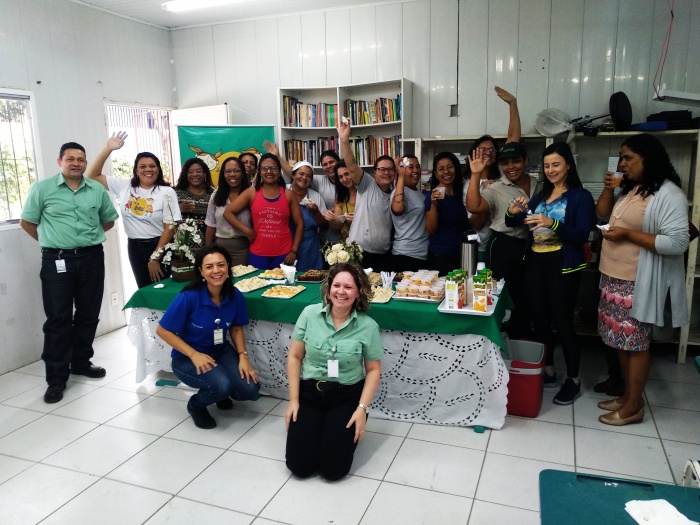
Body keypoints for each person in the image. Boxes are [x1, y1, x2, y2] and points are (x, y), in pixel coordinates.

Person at [596, 134, 688, 426]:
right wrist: (610, 192)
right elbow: (605, 214)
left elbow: (678, 242)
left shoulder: (668, 194)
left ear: (648, 159)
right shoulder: (634, 189)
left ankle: (633, 407)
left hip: (637, 281)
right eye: (621, 157)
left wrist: (627, 234)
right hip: (614, 277)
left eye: (628, 158)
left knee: (634, 343)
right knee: (621, 342)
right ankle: (627, 396)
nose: (622, 164)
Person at [20, 142, 119, 403]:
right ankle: (56, 379)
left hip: (91, 258)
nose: (76, 163)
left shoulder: (96, 189)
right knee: (58, 319)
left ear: (86, 163)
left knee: (88, 314)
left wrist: (86, 239)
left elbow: (108, 220)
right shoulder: (42, 189)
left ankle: (81, 362)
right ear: (60, 162)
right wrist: (52, 242)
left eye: (81, 159)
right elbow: (27, 222)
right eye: (70, 159)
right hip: (56, 260)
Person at [505, 142, 595, 404]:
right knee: (540, 319)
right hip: (536, 262)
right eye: (546, 166)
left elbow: (581, 235)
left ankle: (573, 379)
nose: (551, 170)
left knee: (562, 321)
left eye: (556, 164)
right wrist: (513, 212)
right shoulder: (542, 194)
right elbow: (516, 222)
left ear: (568, 165)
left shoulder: (580, 196)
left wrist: (552, 222)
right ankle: (549, 370)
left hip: (562, 264)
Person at [285, 263, 382, 480]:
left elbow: (374, 370)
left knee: (333, 471)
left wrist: (362, 409)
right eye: (336, 285)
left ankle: (333, 429)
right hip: (310, 393)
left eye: (348, 287)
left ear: (358, 292)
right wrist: (293, 400)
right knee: (299, 467)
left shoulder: (368, 327)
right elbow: (294, 357)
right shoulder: (309, 314)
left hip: (346, 396)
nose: (341, 291)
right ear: (328, 288)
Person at [156, 244, 260, 429]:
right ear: (201, 271)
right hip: (187, 358)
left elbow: (236, 328)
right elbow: (162, 331)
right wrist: (194, 354)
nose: (216, 271)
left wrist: (243, 357)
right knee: (221, 385)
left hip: (221, 351)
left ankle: (221, 393)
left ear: (228, 267)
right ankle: (196, 405)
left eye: (221, 265)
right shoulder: (188, 297)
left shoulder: (234, 295)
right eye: (209, 267)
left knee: (250, 389)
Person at [86, 133, 181, 288]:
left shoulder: (166, 192)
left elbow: (170, 229)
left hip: (159, 246)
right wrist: (108, 149)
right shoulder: (125, 186)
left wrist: (155, 258)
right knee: (143, 289)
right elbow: (92, 176)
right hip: (134, 247)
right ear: (136, 170)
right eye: (143, 166)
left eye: (152, 166)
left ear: (158, 169)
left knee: (159, 289)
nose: (148, 169)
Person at [466, 142, 541, 338]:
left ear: (526, 161)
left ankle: (520, 340)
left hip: (533, 247)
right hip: (504, 246)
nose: (511, 167)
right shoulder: (496, 188)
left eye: (516, 161)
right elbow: (474, 206)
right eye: (505, 163)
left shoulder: (540, 185)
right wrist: (475, 174)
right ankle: (498, 341)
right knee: (502, 296)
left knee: (527, 297)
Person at [464, 86, 522, 259]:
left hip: (502, 243)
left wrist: (513, 104)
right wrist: (486, 195)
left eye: (492, 150)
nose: (488, 153)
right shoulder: (468, 185)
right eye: (482, 150)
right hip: (479, 247)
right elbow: (476, 224)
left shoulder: (503, 177)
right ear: (473, 153)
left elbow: (513, 140)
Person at [223, 153, 303, 270]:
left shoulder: (288, 194)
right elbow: (228, 213)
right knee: (257, 282)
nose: (269, 171)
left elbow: (300, 224)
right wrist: (247, 231)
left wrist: (294, 251)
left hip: (284, 253)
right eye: (265, 168)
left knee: (283, 283)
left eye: (273, 168)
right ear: (259, 172)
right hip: (258, 253)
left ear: (279, 171)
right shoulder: (252, 192)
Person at [338, 121, 394, 270]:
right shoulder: (367, 184)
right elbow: (351, 165)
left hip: (383, 255)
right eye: (382, 169)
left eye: (390, 169)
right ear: (375, 172)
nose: (386, 172)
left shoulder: (396, 194)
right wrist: (344, 140)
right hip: (358, 253)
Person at [425, 152, 469, 275]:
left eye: (450, 167)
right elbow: (431, 230)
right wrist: (434, 205)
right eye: (441, 169)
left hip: (461, 253)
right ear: (436, 174)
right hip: (441, 255)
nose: (446, 172)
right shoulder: (433, 196)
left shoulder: (461, 194)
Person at [204, 157, 252, 265]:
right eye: (228, 171)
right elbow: (211, 224)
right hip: (220, 248)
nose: (232, 174)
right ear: (223, 174)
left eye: (236, 171)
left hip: (245, 247)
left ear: (243, 174)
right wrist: (208, 250)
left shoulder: (251, 194)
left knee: (242, 275)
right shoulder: (216, 195)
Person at [286, 161, 328, 271]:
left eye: (309, 176)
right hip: (286, 244)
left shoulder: (315, 196)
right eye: (301, 174)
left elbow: (325, 226)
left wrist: (316, 212)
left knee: (311, 276)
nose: (304, 178)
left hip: (310, 248)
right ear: (293, 175)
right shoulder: (283, 192)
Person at [391, 154, 429, 271]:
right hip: (406, 255)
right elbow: (397, 209)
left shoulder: (420, 194)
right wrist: (401, 176)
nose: (416, 170)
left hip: (422, 254)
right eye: (411, 167)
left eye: (417, 166)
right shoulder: (399, 192)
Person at [174, 158, 214, 237]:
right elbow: (164, 217)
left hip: (207, 242)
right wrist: (178, 209)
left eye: (198, 171)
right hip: (180, 242)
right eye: (190, 172)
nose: (195, 174)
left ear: (205, 174)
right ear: (185, 174)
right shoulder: (175, 193)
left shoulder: (213, 194)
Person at [325, 161, 356, 242]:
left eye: (347, 174)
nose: (344, 179)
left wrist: (358, 218)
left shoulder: (366, 191)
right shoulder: (341, 195)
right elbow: (337, 226)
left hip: (366, 242)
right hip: (346, 243)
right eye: (340, 177)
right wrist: (331, 218)